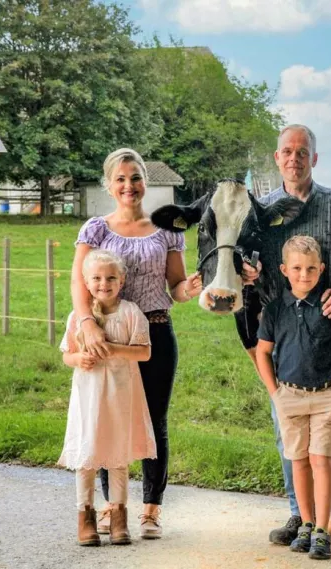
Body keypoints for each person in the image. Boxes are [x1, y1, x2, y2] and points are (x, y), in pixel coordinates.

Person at [237, 124, 331, 547]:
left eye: (302, 152)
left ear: (314, 159)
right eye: (286, 151)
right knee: (288, 429)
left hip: (326, 333)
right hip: (280, 335)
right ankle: (300, 516)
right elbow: (244, 261)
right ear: (276, 158)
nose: (294, 158)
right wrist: (247, 273)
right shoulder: (257, 211)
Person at [71, 147, 202, 539]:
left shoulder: (166, 230)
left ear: (147, 181)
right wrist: (88, 324)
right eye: (121, 179)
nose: (129, 185)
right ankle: (113, 508)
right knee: (110, 420)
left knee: (154, 420)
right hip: (108, 336)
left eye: (136, 177)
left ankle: (150, 509)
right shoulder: (96, 229)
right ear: (109, 185)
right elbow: (79, 283)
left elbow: (175, 287)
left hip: (155, 333)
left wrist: (190, 287)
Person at [255, 235, 331, 560]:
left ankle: (324, 531)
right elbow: (263, 353)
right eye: (297, 268)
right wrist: (275, 394)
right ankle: (306, 525)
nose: (304, 275)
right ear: (285, 269)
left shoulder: (329, 305)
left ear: (321, 269)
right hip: (289, 397)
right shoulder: (274, 310)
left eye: (311, 268)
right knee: (298, 462)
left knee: (322, 461)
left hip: (325, 396)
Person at [58, 248, 156, 547]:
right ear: (86, 282)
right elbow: (66, 355)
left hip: (120, 396)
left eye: (111, 277)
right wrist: (78, 360)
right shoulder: (79, 317)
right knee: (87, 456)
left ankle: (118, 517)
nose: (104, 284)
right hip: (89, 397)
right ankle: (85, 516)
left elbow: (144, 352)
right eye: (97, 278)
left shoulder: (130, 313)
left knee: (117, 456)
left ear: (122, 280)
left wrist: (113, 349)